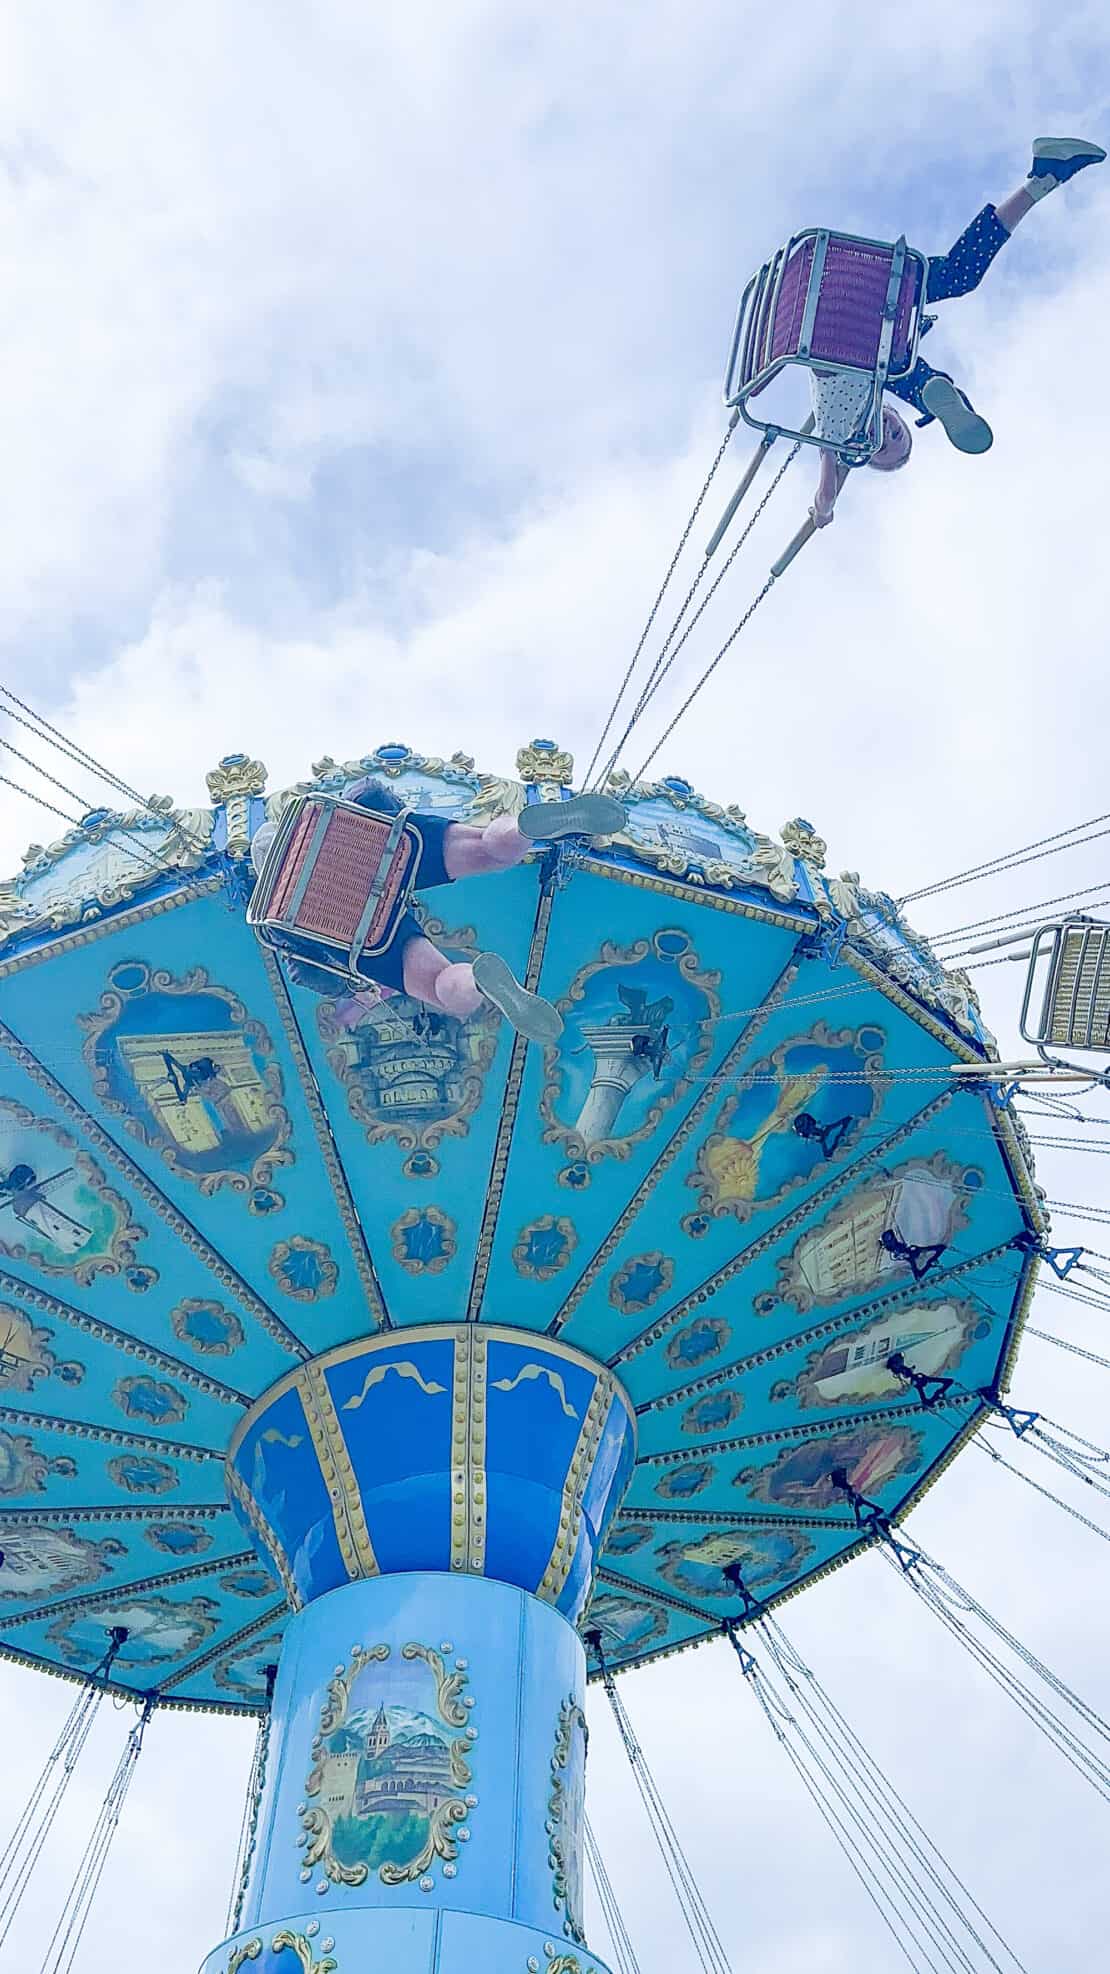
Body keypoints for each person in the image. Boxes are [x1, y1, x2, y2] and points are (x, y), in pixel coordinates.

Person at [809, 136, 1105, 526]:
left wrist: (821, 511)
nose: (889, 435)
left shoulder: (838, 438)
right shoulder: (875, 382)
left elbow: (829, 490)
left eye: (888, 443)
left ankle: (934, 395)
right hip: (877, 312)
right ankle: (1043, 178)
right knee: (960, 276)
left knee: (896, 371)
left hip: (843, 326)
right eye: (899, 436)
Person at [250, 779, 625, 1044]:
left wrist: (348, 986)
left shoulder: (275, 913)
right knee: (486, 847)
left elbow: (306, 970)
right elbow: (373, 793)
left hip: (360, 931)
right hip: (387, 847)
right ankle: (524, 828)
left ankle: (478, 984)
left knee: (440, 986)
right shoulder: (317, 817)